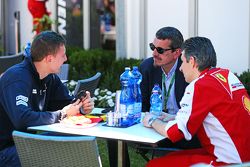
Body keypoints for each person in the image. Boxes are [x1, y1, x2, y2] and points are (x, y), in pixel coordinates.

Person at [143, 36, 250, 166]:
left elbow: (176, 133)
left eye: (182, 62)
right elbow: (217, 115)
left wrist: (151, 121)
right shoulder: (226, 74)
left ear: (192, 61)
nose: (181, 68)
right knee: (171, 157)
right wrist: (172, 117)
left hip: (229, 161)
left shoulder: (199, 85)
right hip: (242, 155)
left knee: (155, 165)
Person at [107, 27, 199, 167]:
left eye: (160, 50)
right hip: (153, 125)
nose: (154, 53)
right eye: (153, 47)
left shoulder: (187, 69)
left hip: (178, 128)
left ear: (176, 53)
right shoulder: (147, 67)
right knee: (114, 132)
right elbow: (141, 105)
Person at [0, 31, 94, 167]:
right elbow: (22, 119)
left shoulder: (49, 78)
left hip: (25, 142)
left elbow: (67, 104)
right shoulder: (17, 79)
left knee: (79, 139)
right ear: (49, 58)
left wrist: (82, 107)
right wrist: (62, 114)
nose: (66, 58)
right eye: (62, 55)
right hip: (5, 150)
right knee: (59, 153)